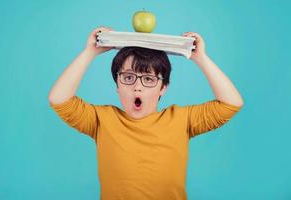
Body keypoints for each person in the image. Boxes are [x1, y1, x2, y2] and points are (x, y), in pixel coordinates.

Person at [48, 26, 244, 200]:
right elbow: (59, 99)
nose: (137, 87)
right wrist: (89, 53)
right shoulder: (101, 120)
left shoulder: (182, 119)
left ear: (163, 87)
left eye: (148, 79)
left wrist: (201, 59)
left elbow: (231, 103)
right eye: (128, 77)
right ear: (117, 84)